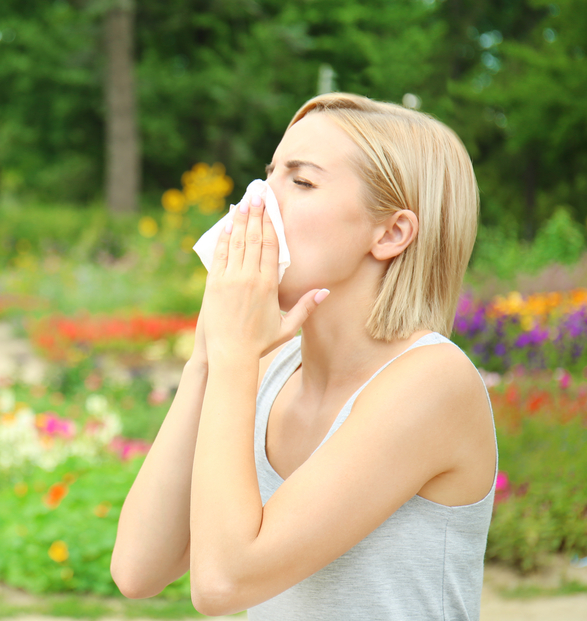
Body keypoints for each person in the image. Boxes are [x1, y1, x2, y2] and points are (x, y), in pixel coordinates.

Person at [110, 92, 497, 620]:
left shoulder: (432, 381)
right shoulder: (269, 369)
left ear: (390, 233)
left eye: (302, 181)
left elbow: (223, 583)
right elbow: (138, 569)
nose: (257, 202)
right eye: (269, 176)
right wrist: (207, 355)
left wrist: (231, 358)